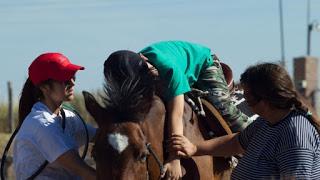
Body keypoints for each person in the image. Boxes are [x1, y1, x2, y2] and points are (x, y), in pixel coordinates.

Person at [104, 40, 251, 179]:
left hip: (204, 65)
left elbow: (177, 113)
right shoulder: (131, 68)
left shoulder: (168, 68)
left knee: (223, 107)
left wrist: (175, 158)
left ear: (143, 58)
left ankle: (256, 135)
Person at [170, 62, 320, 179]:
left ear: (265, 100)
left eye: (247, 95)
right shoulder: (265, 123)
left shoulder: (295, 136)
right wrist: (195, 148)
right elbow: (237, 142)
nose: (244, 99)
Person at [13, 53, 96, 180]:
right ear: (44, 87)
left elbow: (101, 135)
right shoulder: (40, 123)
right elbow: (82, 170)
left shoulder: (69, 117)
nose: (72, 82)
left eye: (73, 76)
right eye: (65, 79)